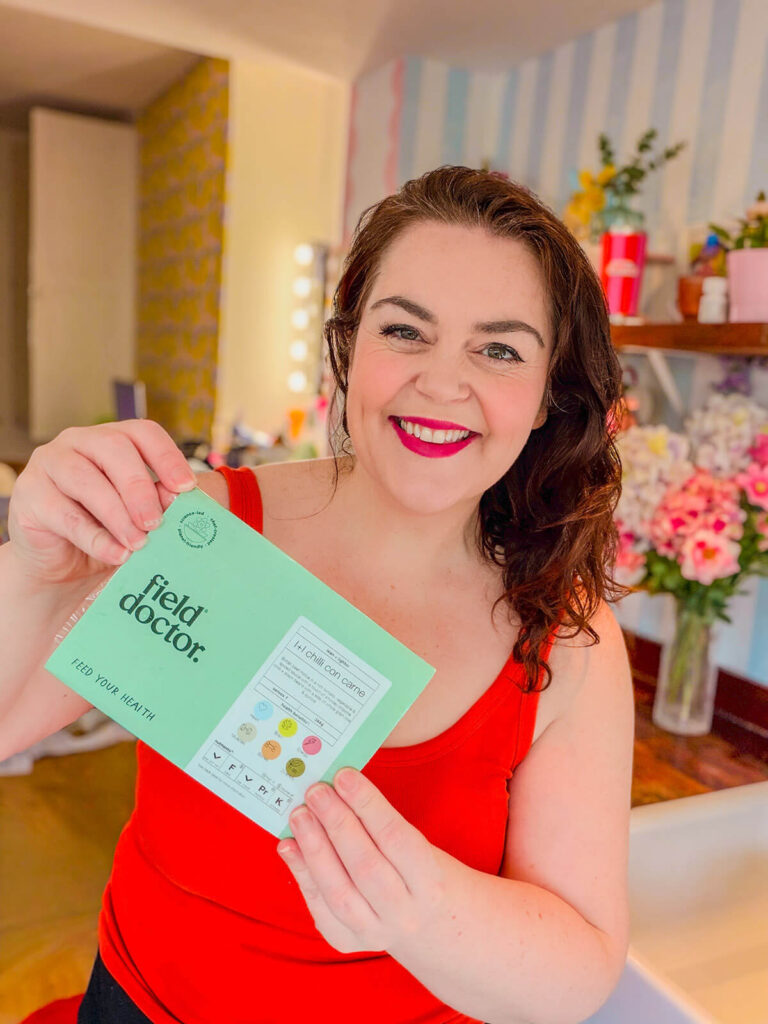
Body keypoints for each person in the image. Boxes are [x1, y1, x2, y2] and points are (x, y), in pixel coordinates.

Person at [2, 166, 635, 1024]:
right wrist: (33, 569)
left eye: (499, 348)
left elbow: (583, 965)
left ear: (547, 396)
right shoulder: (211, 530)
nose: (444, 384)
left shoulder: (566, 639)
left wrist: (418, 910)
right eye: (405, 330)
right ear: (347, 350)